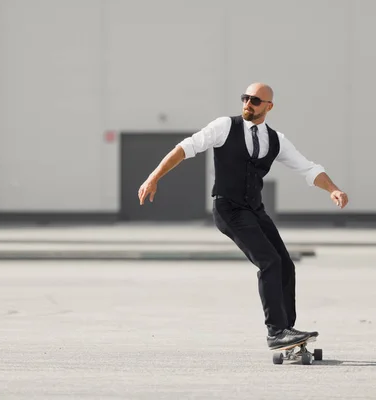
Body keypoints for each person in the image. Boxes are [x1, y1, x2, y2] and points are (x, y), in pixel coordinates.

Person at [137, 82, 349, 349]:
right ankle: (276, 332)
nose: (248, 103)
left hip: (255, 210)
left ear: (268, 107)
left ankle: (287, 329)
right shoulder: (224, 127)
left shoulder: (276, 140)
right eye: (245, 98)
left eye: (255, 100)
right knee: (269, 261)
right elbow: (186, 147)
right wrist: (153, 177)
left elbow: (308, 168)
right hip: (228, 208)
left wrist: (333, 188)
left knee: (285, 264)